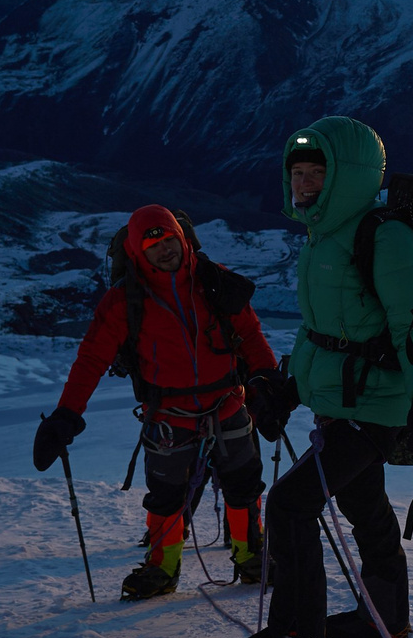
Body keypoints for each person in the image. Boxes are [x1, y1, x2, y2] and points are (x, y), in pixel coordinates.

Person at [221, 118, 413, 638]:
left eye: (316, 174)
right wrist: (290, 389)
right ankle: (385, 621)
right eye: (296, 173)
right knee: (363, 506)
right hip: (342, 402)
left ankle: (298, 637)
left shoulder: (385, 238)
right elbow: (319, 332)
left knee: (290, 504)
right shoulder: (323, 236)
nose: (302, 184)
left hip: (376, 405)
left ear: (348, 176)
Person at [33, 204, 277, 598]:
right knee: (166, 497)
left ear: (182, 238)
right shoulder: (124, 301)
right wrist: (66, 415)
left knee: (244, 485)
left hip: (227, 403)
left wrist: (267, 382)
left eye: (169, 240)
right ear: (137, 252)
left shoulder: (215, 282)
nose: (165, 250)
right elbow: (91, 359)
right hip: (170, 416)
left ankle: (251, 557)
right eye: (153, 246)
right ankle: (163, 568)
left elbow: (250, 336)